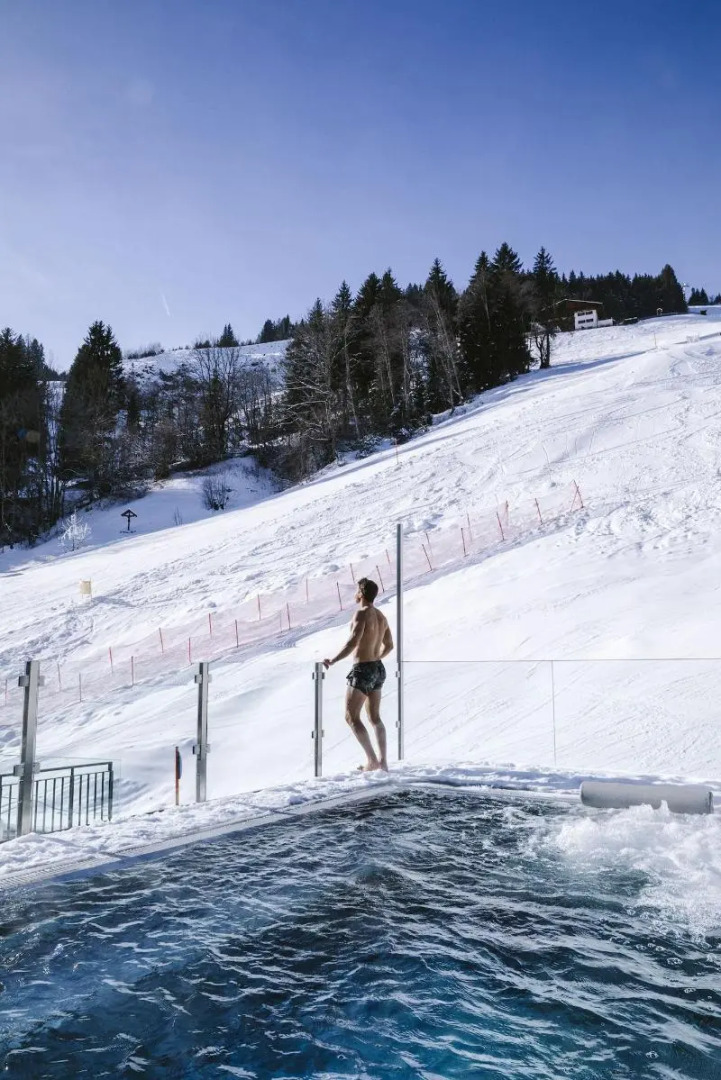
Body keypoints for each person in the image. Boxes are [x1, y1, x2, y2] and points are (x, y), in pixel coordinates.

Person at [324, 578, 394, 772]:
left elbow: (352, 642)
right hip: (378, 668)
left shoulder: (361, 614)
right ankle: (383, 763)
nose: (355, 593)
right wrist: (375, 658)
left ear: (361, 593)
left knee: (351, 716)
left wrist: (334, 660)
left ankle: (372, 761)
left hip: (363, 669)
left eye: (356, 590)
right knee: (375, 718)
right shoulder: (381, 616)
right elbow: (389, 645)